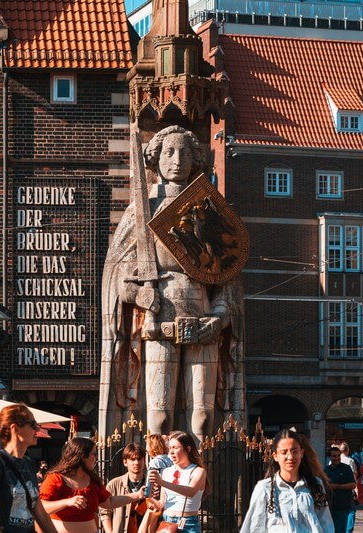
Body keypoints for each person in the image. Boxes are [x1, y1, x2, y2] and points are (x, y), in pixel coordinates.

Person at [99, 124, 245, 442]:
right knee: (160, 415)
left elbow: (226, 283)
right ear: (156, 159)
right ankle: (158, 474)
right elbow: (117, 276)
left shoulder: (208, 211)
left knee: (204, 417)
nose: (176, 159)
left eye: (183, 152)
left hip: (202, 318)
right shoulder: (142, 212)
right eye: (169, 151)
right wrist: (139, 294)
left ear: (195, 159)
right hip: (159, 319)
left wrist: (218, 319)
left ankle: (200, 481)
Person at [0, 404, 56, 533]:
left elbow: (40, 512)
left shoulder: (28, 463)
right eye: (33, 424)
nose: (37, 429)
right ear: (15, 429)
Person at [39, 437, 144, 533]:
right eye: (94, 454)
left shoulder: (93, 481)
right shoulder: (55, 479)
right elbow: (41, 507)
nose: (96, 458)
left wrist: (137, 495)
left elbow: (109, 502)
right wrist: (67, 502)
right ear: (83, 456)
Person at [241, 429, 334, 532]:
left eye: (294, 451)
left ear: (301, 453)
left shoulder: (315, 485)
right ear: (275, 456)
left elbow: (326, 524)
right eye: (284, 452)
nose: (290, 457)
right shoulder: (265, 489)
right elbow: (255, 528)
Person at [148, 431, 208, 533]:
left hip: (188, 523)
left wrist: (162, 482)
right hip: (167, 523)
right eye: (170, 448)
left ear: (187, 449)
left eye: (175, 448)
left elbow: (191, 491)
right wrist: (150, 498)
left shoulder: (198, 471)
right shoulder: (167, 471)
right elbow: (162, 503)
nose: (171, 452)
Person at [101, 443, 149, 533]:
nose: (136, 463)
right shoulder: (114, 484)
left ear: (144, 460)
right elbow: (104, 512)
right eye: (132, 459)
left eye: (139, 459)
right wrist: (109, 531)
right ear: (125, 462)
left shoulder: (150, 484)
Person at [325, 446, 356, 532]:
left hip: (342, 505)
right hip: (330, 506)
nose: (337, 458)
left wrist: (337, 486)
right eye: (334, 456)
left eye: (338, 456)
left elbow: (353, 485)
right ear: (330, 457)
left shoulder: (346, 468)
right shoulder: (326, 470)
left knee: (340, 530)